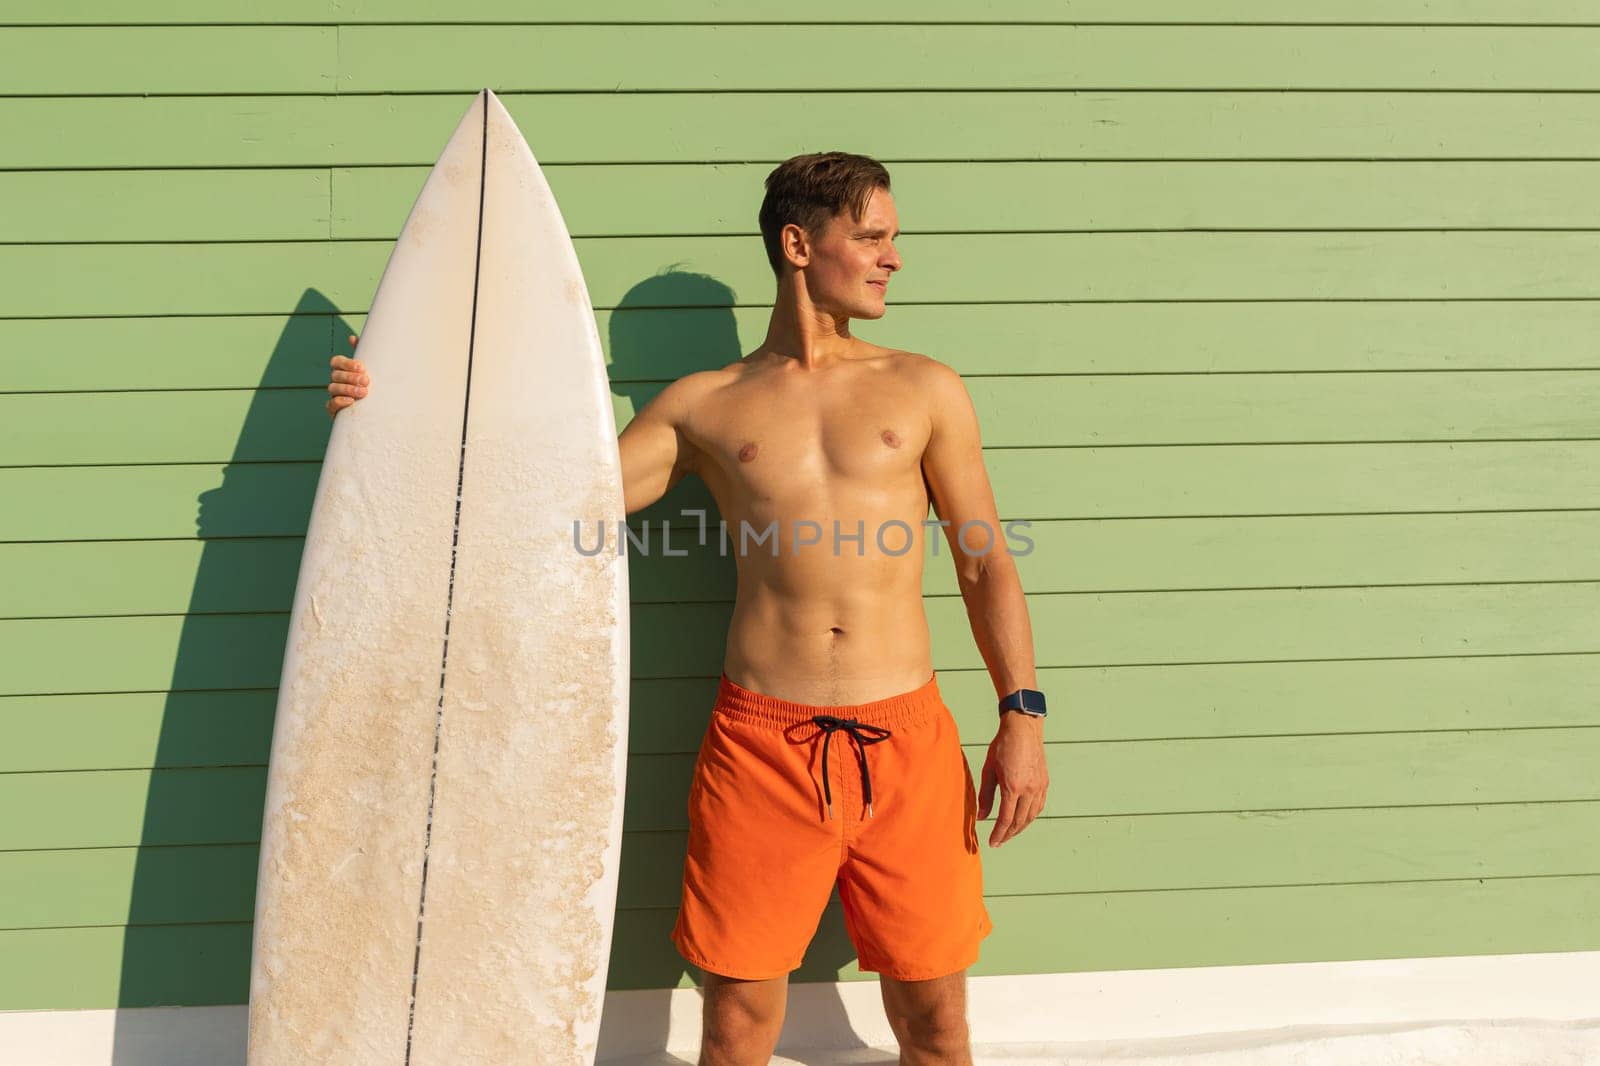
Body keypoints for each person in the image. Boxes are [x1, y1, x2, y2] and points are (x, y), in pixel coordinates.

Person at [327, 151, 1048, 1066]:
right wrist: (387, 417)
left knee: (935, 1026)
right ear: (798, 243)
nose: (891, 258)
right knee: (736, 1028)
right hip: (760, 747)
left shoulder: (925, 387)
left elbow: (984, 566)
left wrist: (1020, 714)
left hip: (907, 742)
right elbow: (547, 494)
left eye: (890, 239)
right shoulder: (705, 405)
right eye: (871, 237)